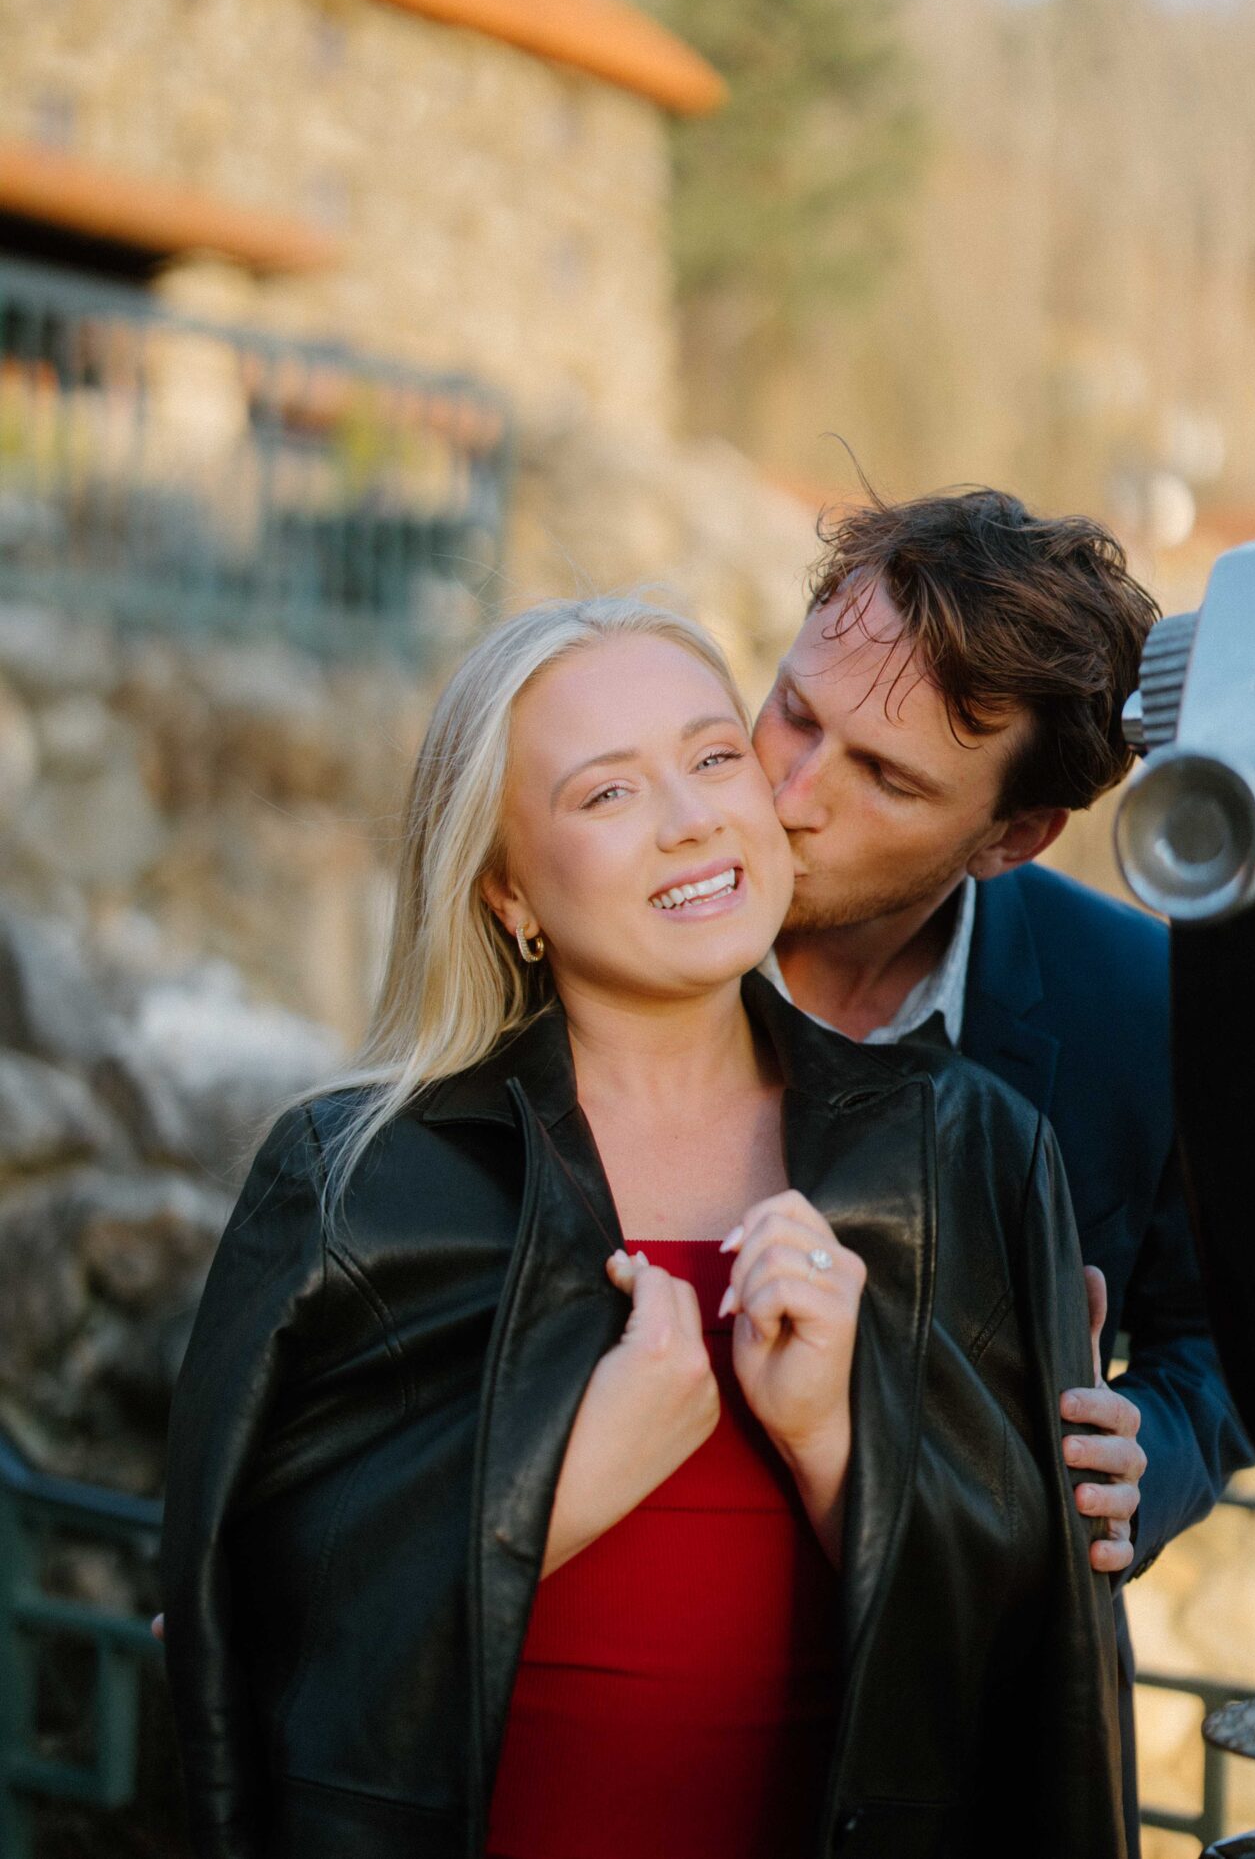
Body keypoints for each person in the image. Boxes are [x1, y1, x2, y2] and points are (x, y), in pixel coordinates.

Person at [160, 594, 1125, 1859]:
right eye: (606, 794)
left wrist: (840, 1444)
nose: (691, 820)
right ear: (509, 889)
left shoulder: (973, 1154)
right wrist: (564, 1480)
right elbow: (230, 1642)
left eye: (715, 755)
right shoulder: (353, 1181)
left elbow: (1036, 1670)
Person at [752, 486, 1255, 1854]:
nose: (788, 797)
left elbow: (1230, 1334)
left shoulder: (1138, 1010)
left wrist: (1147, 1449)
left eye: (884, 776)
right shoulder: (600, 908)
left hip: (942, 1752)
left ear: (1009, 836)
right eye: (796, 713)